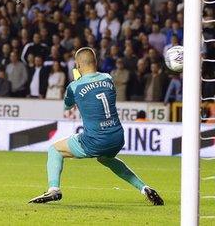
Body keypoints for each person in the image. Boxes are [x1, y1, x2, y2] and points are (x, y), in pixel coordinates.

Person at [29, 47, 164, 205]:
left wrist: (76, 81)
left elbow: (67, 106)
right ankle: (144, 188)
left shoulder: (74, 86)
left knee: (54, 149)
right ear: (96, 62)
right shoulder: (108, 78)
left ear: (78, 65)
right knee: (106, 159)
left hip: (95, 140)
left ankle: (53, 190)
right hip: (117, 137)